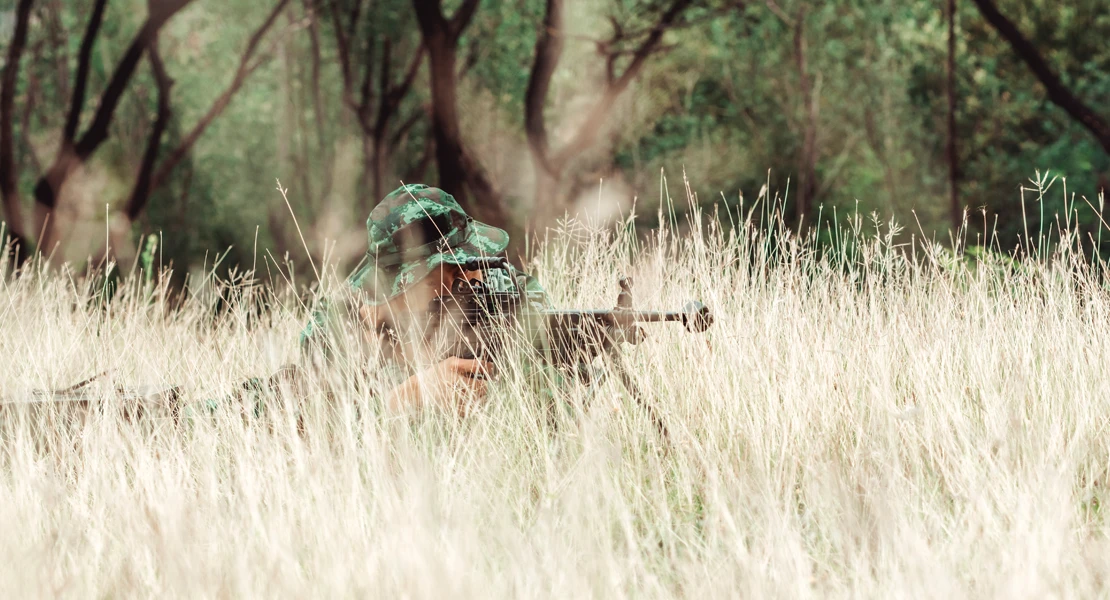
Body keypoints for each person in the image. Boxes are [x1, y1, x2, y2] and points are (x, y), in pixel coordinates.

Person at [299, 183, 547, 414]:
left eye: (466, 268)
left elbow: (557, 386)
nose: (460, 289)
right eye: (433, 280)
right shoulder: (340, 323)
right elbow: (317, 423)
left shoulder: (510, 290)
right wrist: (408, 396)